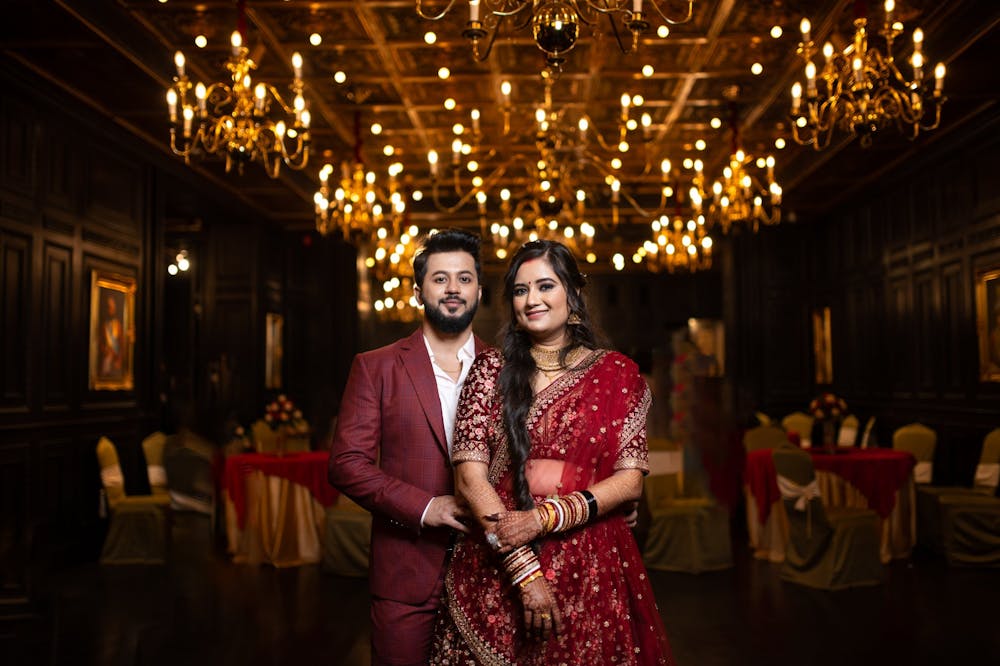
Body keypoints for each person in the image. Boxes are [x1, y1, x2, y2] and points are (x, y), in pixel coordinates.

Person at [431, 240, 672, 665]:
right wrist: (524, 572)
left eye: (545, 285)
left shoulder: (617, 373)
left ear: (573, 294)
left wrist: (543, 518)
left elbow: (630, 478)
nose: (532, 299)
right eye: (521, 291)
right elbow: (470, 478)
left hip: (593, 561)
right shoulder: (490, 369)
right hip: (501, 558)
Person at [328, 229, 489, 666]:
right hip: (406, 572)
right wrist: (425, 507)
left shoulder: (509, 370)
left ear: (479, 288)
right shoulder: (375, 366)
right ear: (418, 290)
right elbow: (346, 463)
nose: (453, 288)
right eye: (440, 279)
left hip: (493, 571)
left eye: (464, 278)